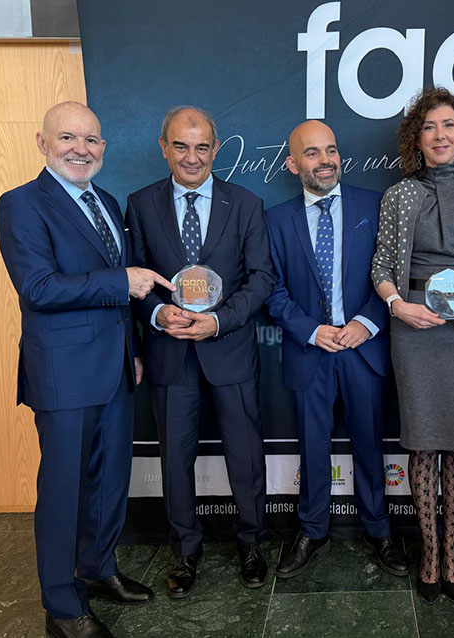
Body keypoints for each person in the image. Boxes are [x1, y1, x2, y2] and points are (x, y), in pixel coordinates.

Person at [0, 101, 169, 638]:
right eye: (68, 138)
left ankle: (97, 568)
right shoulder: (21, 204)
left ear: (103, 148)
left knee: (109, 481)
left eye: (91, 140)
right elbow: (39, 288)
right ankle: (62, 606)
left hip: (115, 368)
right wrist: (123, 281)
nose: (81, 149)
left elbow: (117, 296)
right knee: (64, 491)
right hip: (64, 376)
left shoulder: (107, 201)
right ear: (42, 142)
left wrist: (133, 350)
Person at [126, 106, 275, 596]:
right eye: (181, 146)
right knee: (175, 460)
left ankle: (251, 544)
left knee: (246, 456)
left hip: (229, 349)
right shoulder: (140, 204)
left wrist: (218, 321)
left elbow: (261, 279)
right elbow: (134, 279)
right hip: (170, 355)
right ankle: (185, 551)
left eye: (202, 147)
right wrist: (156, 313)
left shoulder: (246, 204)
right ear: (164, 147)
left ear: (216, 149)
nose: (192, 157)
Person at [371, 87, 454, 604]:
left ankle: (453, 555)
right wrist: (397, 306)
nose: (440, 135)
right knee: (423, 443)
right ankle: (429, 555)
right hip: (416, 330)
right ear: (417, 139)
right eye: (429, 127)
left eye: (448, 125)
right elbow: (382, 265)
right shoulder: (399, 196)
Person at [265, 120, 408, 579]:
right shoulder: (275, 220)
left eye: (330, 150)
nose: (325, 160)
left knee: (370, 443)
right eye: (312, 153)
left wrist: (367, 322)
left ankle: (379, 529)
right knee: (312, 448)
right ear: (293, 164)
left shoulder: (375, 205)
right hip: (310, 351)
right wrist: (310, 331)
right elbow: (272, 290)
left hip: (363, 348)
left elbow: (396, 272)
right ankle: (312, 530)